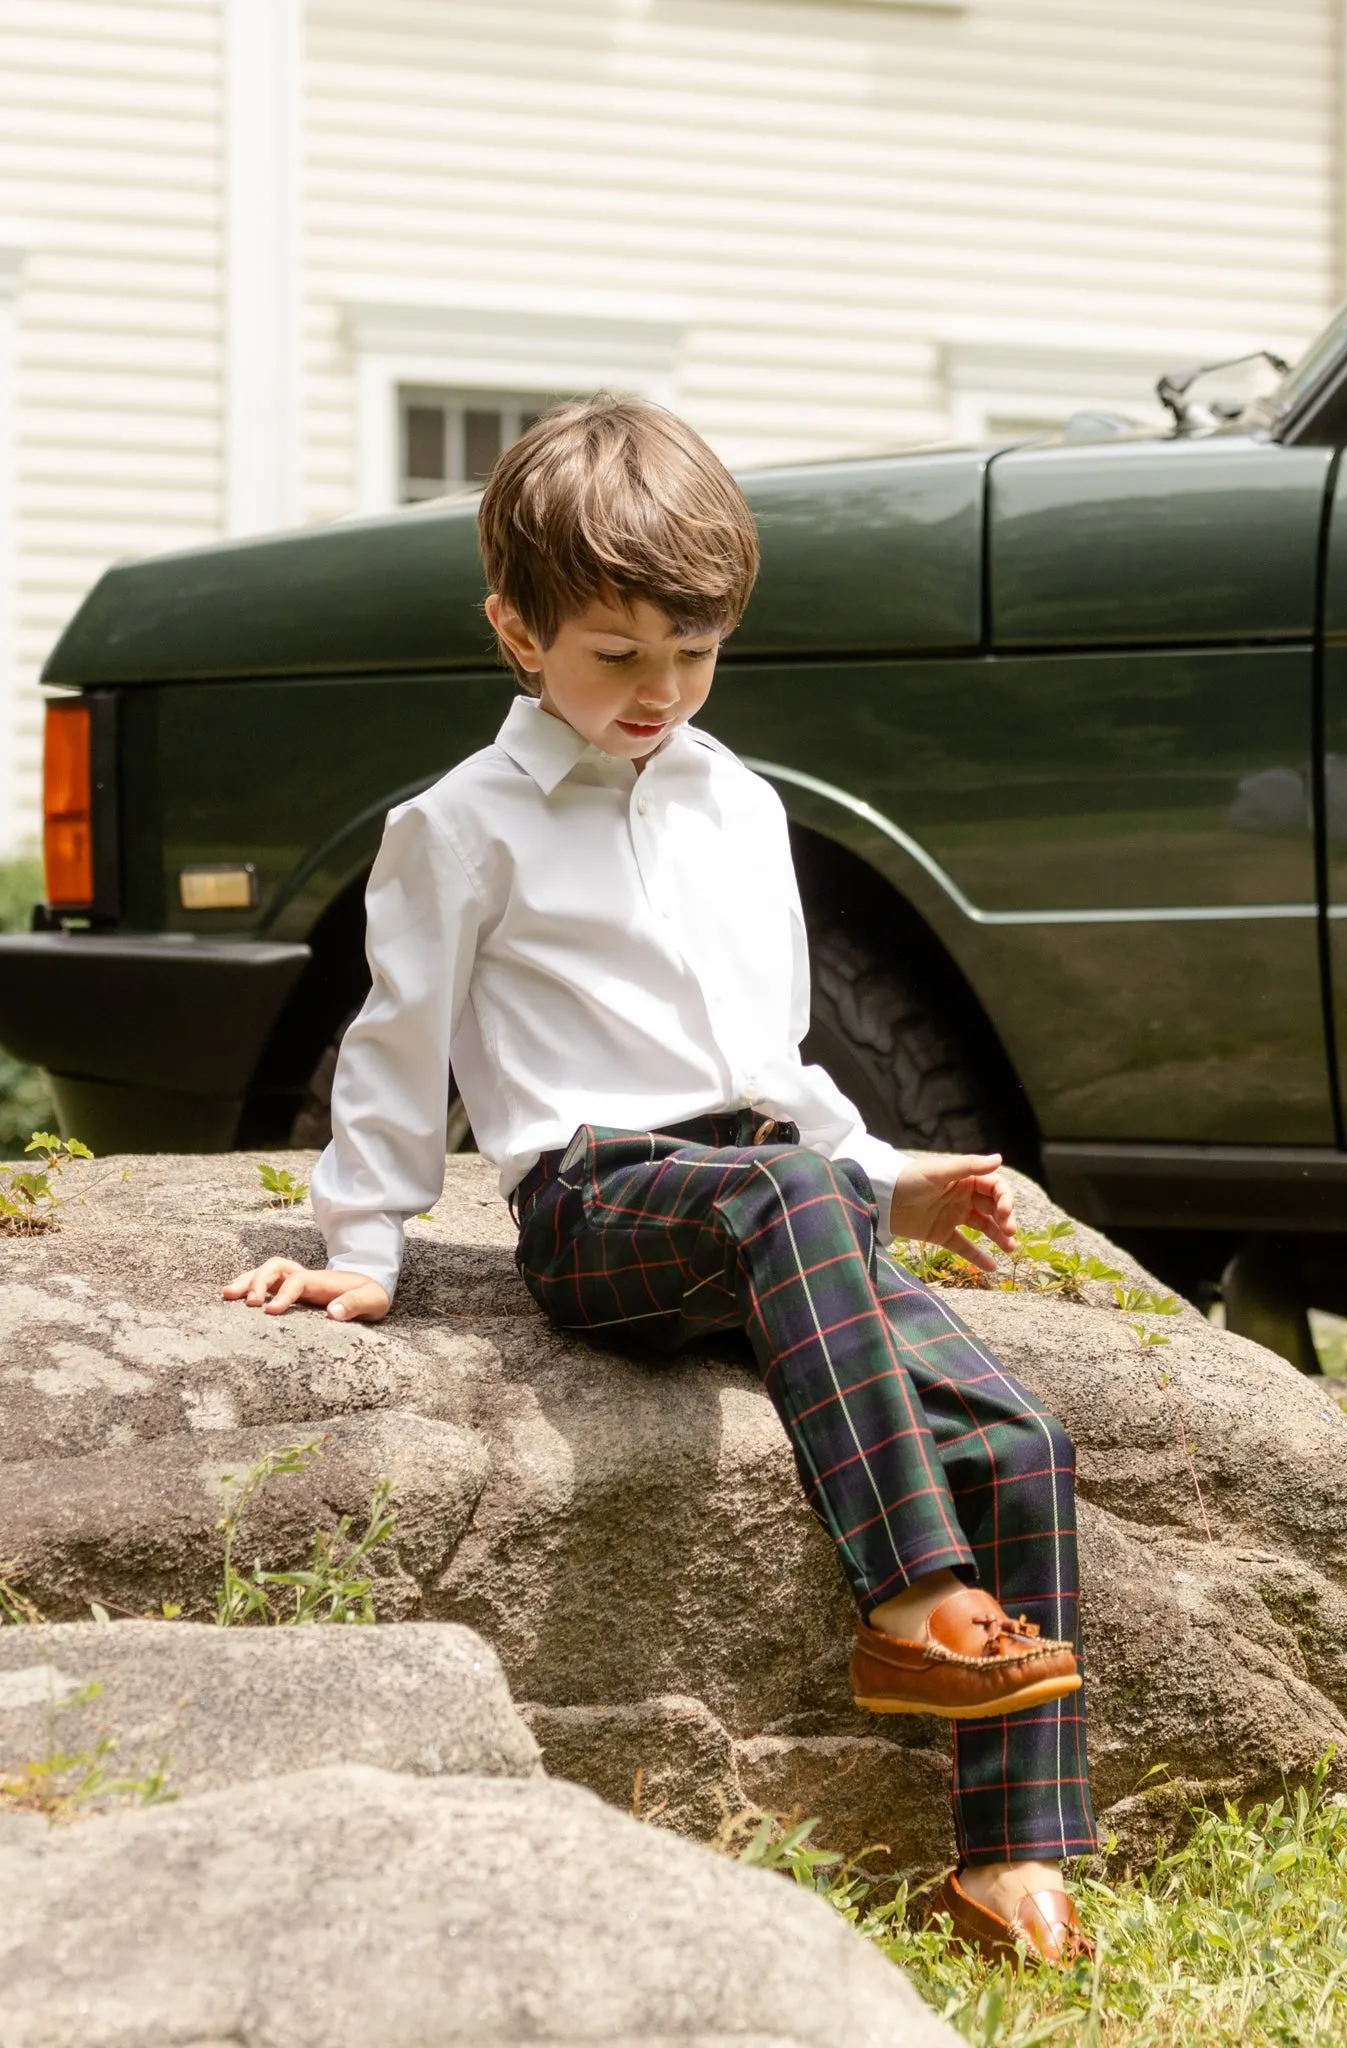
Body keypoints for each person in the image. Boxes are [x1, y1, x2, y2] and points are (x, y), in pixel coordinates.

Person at [224, 392, 1098, 1965]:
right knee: (778, 1201)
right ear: (518, 629)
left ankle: (1010, 1852)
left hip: (776, 1193)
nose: (660, 691)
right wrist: (363, 1239)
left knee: (1023, 1434)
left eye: (693, 654)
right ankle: (912, 1604)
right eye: (616, 654)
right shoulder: (457, 827)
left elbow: (775, 1064)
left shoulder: (741, 804)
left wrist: (885, 1178)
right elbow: (395, 1037)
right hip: (599, 1203)